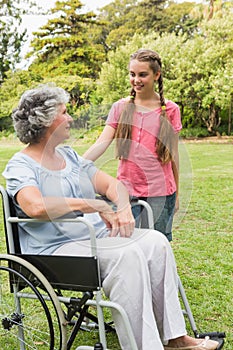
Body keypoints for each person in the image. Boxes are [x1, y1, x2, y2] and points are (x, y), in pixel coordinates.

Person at [3, 84, 219, 350]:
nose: (70, 118)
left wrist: (123, 208)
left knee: (155, 241)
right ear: (46, 120)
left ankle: (175, 338)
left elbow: (112, 186)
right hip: (54, 250)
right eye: (65, 113)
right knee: (126, 255)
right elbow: (34, 206)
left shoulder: (69, 157)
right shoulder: (21, 165)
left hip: (95, 238)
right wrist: (95, 205)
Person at [84, 48, 181, 241]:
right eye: (132, 74)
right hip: (126, 193)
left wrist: (176, 194)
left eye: (142, 74)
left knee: (156, 245)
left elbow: (174, 156)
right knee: (126, 244)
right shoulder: (120, 108)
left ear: (156, 75)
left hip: (161, 193)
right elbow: (102, 142)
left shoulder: (170, 109)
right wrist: (77, 163)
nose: (136, 79)